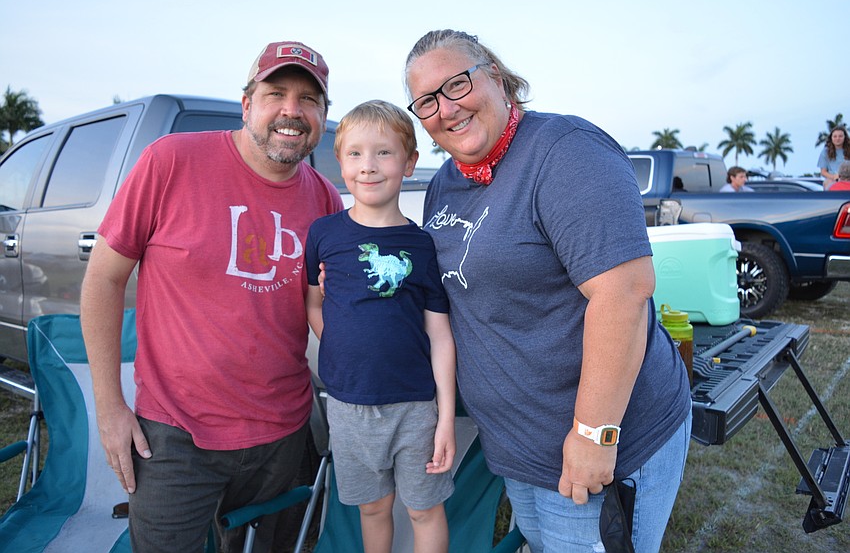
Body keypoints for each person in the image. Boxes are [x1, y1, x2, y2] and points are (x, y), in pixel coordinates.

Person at [403, 30, 692, 553]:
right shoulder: (446, 183)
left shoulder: (565, 152)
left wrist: (593, 435)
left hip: (592, 449)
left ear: (494, 73)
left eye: (456, 84)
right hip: (519, 451)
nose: (445, 109)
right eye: (426, 100)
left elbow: (623, 292)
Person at [80, 41, 344, 553]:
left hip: (284, 435)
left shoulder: (325, 199)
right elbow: (103, 279)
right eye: (276, 93)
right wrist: (110, 407)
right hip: (176, 436)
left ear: (323, 116)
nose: (293, 110)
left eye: (310, 99)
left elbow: (332, 308)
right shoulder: (171, 162)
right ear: (246, 104)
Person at [305, 100, 456, 553]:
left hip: (415, 408)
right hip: (348, 408)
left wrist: (445, 418)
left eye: (384, 153)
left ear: (409, 163)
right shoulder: (323, 235)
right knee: (372, 509)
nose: (368, 167)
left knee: (424, 510)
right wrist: (343, 346)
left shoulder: (422, 245)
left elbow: (441, 335)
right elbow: (314, 303)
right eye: (354, 154)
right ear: (340, 162)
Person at [818, 125, 850, 190]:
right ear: (831, 138)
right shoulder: (825, 151)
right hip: (832, 179)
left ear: (845, 137)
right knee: (827, 183)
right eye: (835, 136)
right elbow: (823, 172)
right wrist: (833, 177)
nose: (837, 138)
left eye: (840, 136)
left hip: (848, 178)